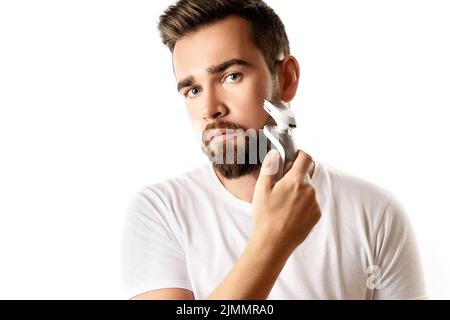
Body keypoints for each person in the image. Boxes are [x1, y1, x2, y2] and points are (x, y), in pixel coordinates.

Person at [121, 0, 426, 300]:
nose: (209, 109)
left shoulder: (374, 213)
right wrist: (272, 242)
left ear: (286, 78)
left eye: (231, 76)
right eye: (193, 90)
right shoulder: (161, 211)